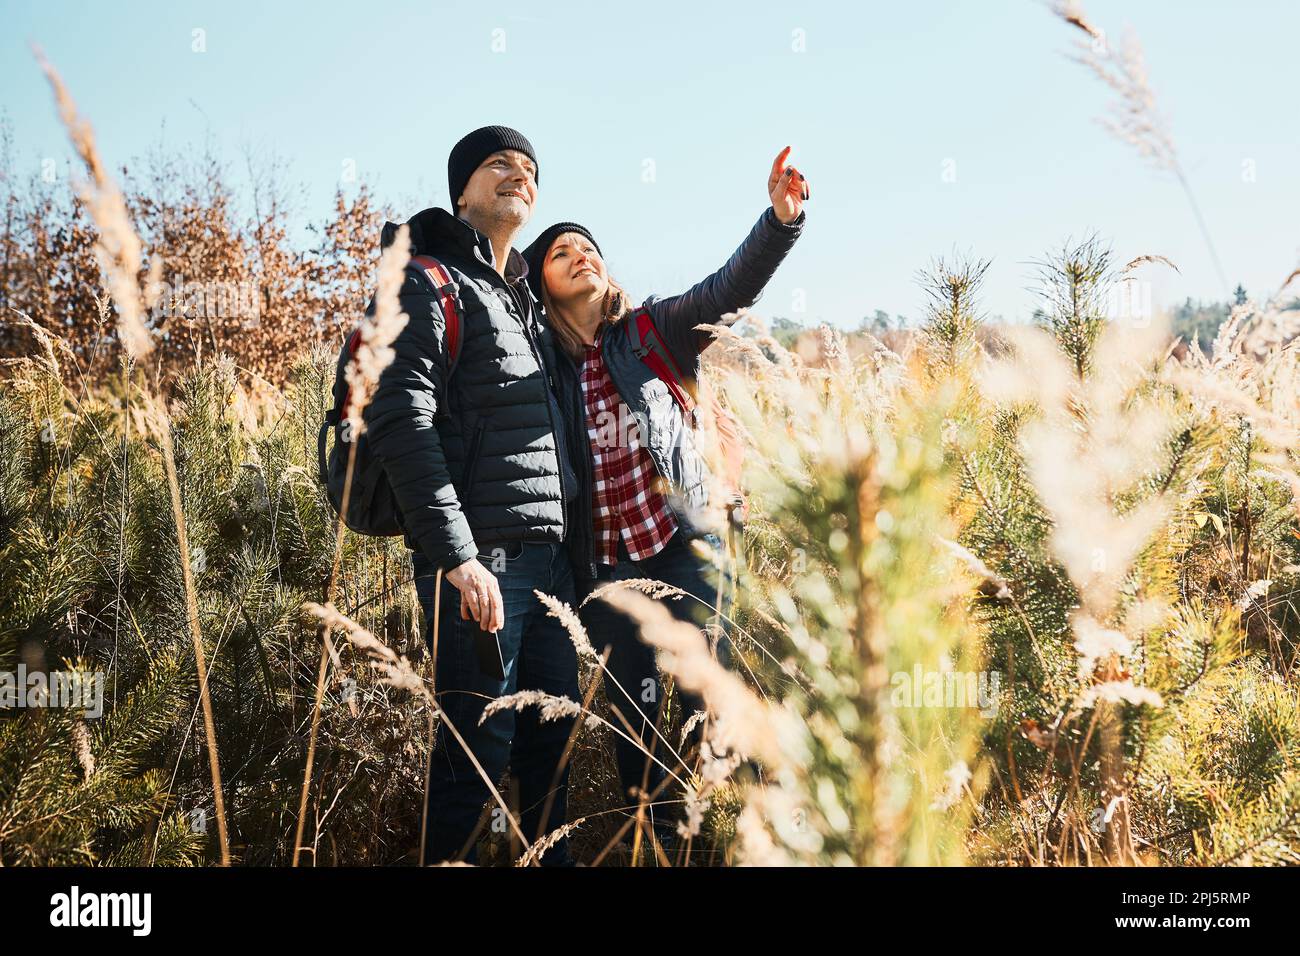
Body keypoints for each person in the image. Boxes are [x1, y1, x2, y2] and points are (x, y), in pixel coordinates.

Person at [521, 147, 808, 852]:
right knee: (635, 727)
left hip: (687, 545)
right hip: (609, 571)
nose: (580, 254)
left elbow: (726, 291)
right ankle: (657, 847)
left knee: (712, 702)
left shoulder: (650, 332)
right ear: (542, 283)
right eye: (561, 252)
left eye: (588, 246)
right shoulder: (544, 367)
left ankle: (737, 844)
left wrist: (778, 222)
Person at [364, 126, 582, 866]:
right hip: (481, 565)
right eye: (500, 165)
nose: (518, 175)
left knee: (551, 768)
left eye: (529, 169)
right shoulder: (426, 279)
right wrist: (457, 556)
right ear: (463, 190)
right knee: (473, 761)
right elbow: (399, 416)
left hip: (549, 570)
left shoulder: (521, 300)